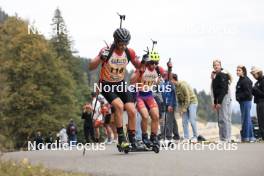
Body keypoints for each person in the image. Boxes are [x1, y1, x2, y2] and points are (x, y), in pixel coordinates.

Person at [89, 27, 143, 150]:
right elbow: (91, 66)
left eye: (126, 43)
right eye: (121, 43)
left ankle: (133, 139)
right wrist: (101, 57)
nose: (123, 46)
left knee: (132, 110)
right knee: (119, 106)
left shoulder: (129, 52)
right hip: (106, 84)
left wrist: (144, 62)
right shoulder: (107, 51)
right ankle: (121, 139)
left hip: (120, 83)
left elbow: (138, 65)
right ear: (115, 40)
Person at [130, 51, 165, 147]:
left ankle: (153, 137)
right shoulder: (142, 68)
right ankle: (144, 137)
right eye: (152, 62)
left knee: (156, 116)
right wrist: (139, 71)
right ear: (148, 62)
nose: (154, 65)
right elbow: (132, 80)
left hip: (149, 95)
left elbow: (166, 77)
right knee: (145, 116)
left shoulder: (158, 70)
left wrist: (169, 69)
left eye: (156, 63)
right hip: (139, 95)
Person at [171, 74, 199, 143]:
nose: (169, 82)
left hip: (192, 102)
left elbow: (188, 98)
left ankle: (195, 137)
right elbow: (179, 100)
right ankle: (186, 138)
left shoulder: (183, 85)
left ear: (174, 80)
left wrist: (184, 109)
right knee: (184, 121)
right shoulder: (175, 87)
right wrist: (181, 109)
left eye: (170, 80)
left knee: (192, 120)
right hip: (184, 104)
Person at [211, 59, 232, 143]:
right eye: (214, 65)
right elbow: (215, 90)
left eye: (218, 65)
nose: (216, 66)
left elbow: (223, 89)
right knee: (222, 118)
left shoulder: (222, 75)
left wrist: (219, 102)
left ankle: (224, 138)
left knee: (223, 119)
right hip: (219, 98)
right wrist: (215, 102)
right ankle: (226, 138)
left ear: (220, 66)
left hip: (223, 98)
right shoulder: (216, 76)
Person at [236, 65, 256, 142]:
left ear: (243, 71)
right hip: (243, 102)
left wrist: (239, 97)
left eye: (239, 70)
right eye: (237, 70)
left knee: (245, 119)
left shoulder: (245, 81)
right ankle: (251, 137)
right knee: (247, 119)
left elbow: (248, 93)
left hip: (246, 102)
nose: (237, 72)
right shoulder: (240, 80)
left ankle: (245, 137)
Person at [161, 72, 180, 141]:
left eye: (165, 75)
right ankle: (176, 136)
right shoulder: (163, 83)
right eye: (163, 75)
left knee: (169, 120)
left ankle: (169, 137)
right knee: (173, 120)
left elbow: (173, 95)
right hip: (165, 104)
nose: (164, 76)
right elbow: (160, 91)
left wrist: (171, 105)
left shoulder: (171, 83)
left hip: (171, 104)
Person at [251, 66, 264, 140]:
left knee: (262, 120)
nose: (253, 76)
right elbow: (256, 93)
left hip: (262, 103)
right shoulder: (256, 83)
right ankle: (262, 137)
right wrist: (253, 90)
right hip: (258, 103)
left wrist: (255, 89)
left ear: (258, 73)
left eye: (254, 74)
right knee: (260, 121)